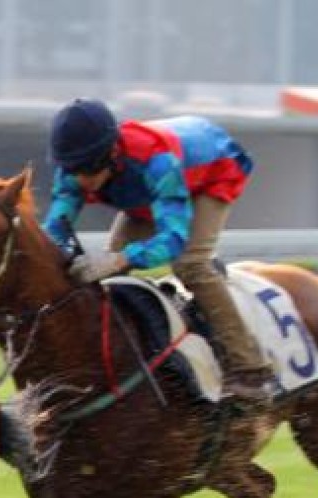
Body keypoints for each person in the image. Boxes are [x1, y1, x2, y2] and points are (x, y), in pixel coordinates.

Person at [44, 97, 275, 404]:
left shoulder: (157, 162)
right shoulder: (74, 168)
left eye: (88, 169)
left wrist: (121, 258)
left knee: (190, 264)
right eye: (74, 170)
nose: (81, 179)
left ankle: (251, 369)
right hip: (149, 191)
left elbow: (172, 241)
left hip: (213, 171)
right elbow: (56, 230)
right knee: (109, 272)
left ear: (112, 153)